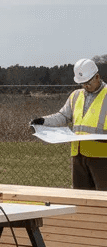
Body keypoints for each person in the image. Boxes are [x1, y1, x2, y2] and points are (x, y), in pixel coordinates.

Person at [30, 58, 107, 191]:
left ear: (97, 77)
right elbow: (63, 116)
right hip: (78, 155)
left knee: (103, 197)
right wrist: (43, 120)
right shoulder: (75, 96)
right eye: (82, 83)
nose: (85, 86)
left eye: (88, 83)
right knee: (80, 196)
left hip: (102, 156)